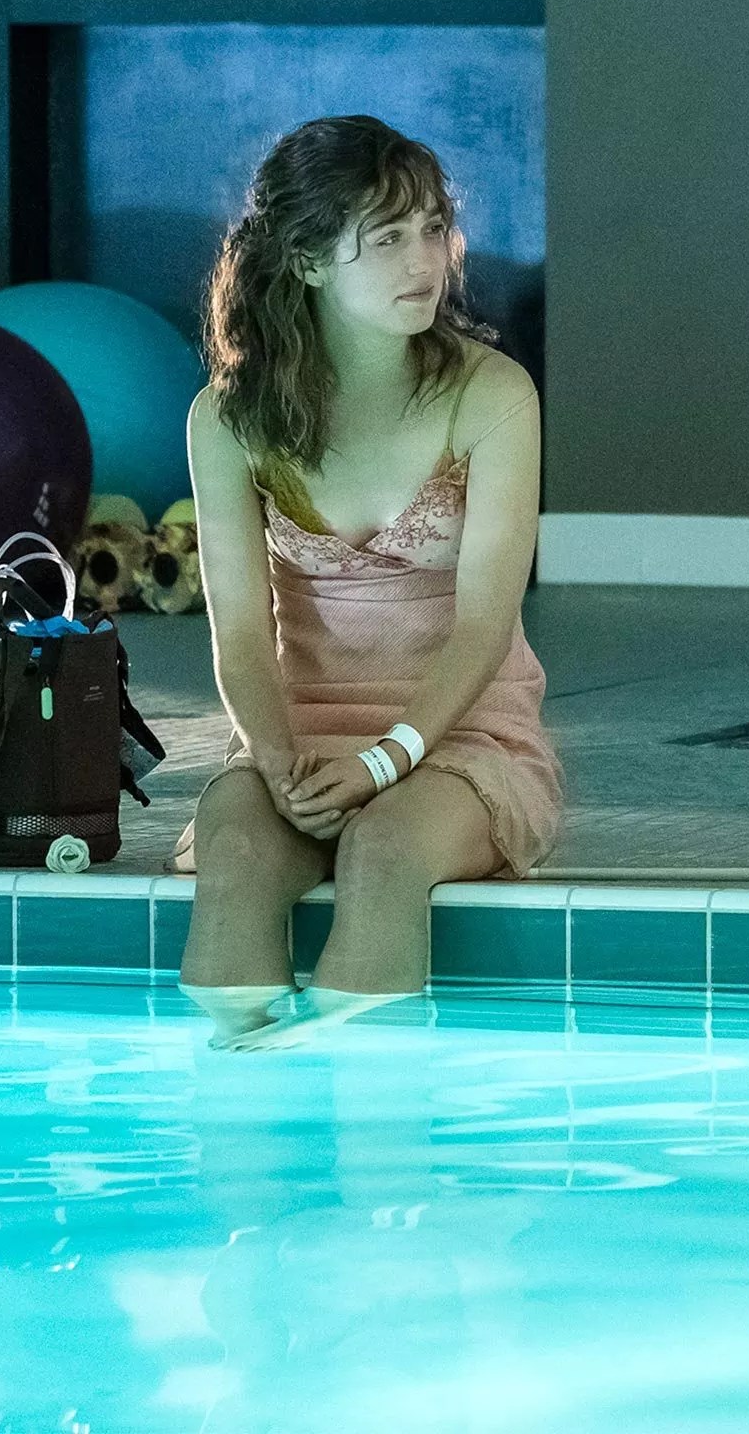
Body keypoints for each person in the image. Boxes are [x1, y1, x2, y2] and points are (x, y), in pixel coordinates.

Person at [174, 114, 559, 1049]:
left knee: (384, 851)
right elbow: (239, 634)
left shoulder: (493, 395)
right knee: (234, 841)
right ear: (308, 260)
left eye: (433, 228)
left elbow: (485, 625)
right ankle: (233, 1092)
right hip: (301, 733)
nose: (424, 260)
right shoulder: (227, 421)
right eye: (386, 238)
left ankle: (363, 1105)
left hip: (462, 733)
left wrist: (384, 762)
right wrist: (275, 763)